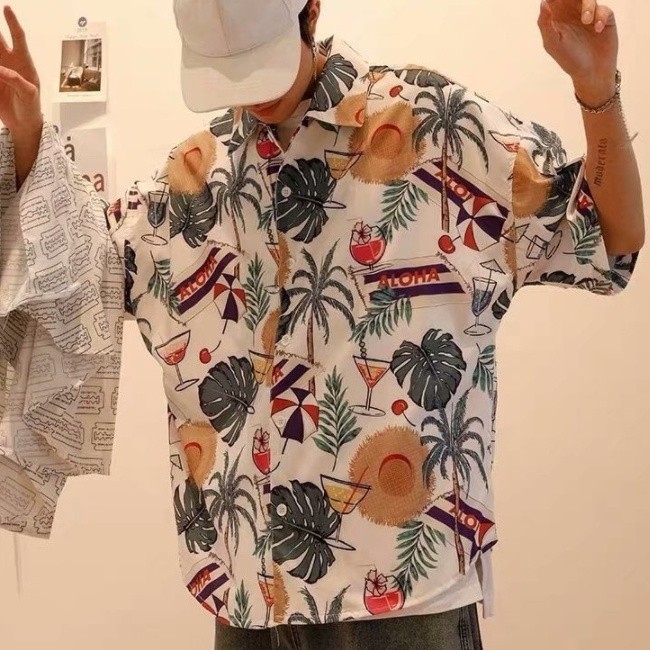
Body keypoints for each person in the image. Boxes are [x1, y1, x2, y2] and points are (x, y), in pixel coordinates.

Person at [0, 1, 644, 649]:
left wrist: (597, 90)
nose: (252, 95)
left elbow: (609, 241)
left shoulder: (433, 125)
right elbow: (89, 275)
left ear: (309, 8)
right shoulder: (194, 179)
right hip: (247, 590)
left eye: (260, 62)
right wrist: (29, 139)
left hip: (400, 596)